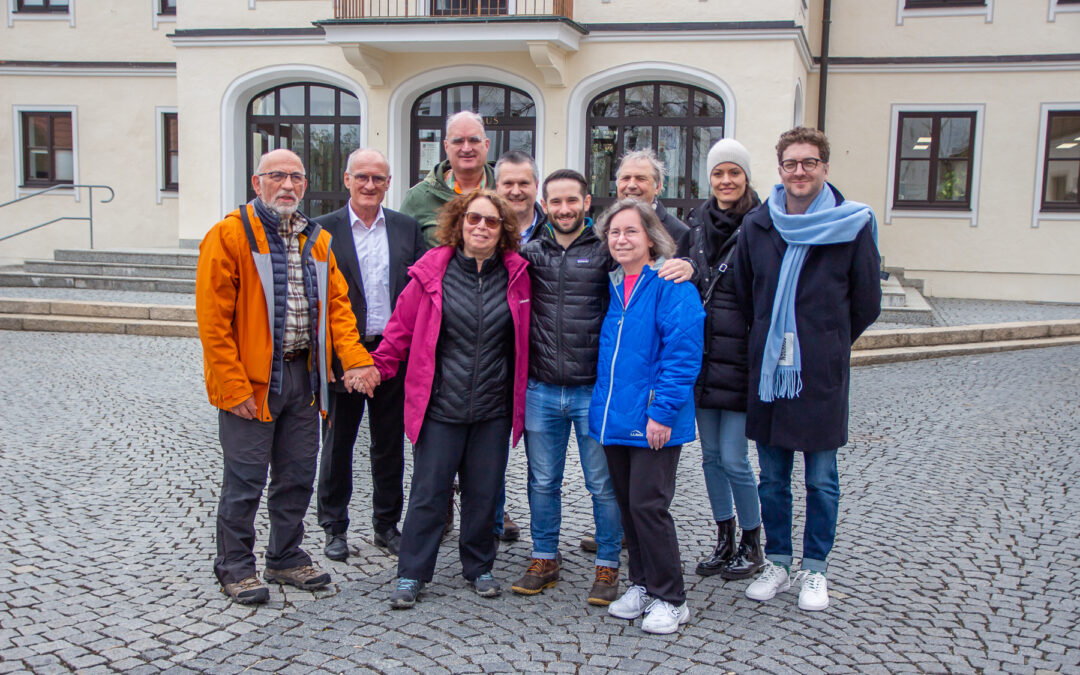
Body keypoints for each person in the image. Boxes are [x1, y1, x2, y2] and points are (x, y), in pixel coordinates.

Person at [196, 149, 380, 605]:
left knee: (297, 474)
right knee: (246, 479)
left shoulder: (315, 239)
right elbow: (213, 322)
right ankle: (235, 566)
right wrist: (233, 386)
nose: (287, 185)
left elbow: (339, 311)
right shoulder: (229, 235)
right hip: (253, 382)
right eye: (276, 176)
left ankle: (285, 556)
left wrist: (356, 361)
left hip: (305, 377)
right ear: (256, 182)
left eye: (296, 177)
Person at [734, 127, 881, 612]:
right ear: (780, 170)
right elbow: (743, 291)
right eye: (791, 163)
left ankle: (814, 567)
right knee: (772, 477)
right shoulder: (758, 224)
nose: (800, 171)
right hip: (770, 372)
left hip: (820, 373)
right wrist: (770, 342)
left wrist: (828, 341)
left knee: (821, 477)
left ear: (825, 167)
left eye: (809, 163)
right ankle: (777, 559)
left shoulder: (853, 224)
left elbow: (866, 301)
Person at [371, 189, 531, 608]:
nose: (481, 227)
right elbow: (399, 332)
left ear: (503, 231)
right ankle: (412, 573)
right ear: (459, 223)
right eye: (474, 219)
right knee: (429, 493)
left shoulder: (517, 276)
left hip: (493, 410)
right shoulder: (430, 275)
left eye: (491, 222)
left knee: (484, 492)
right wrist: (375, 369)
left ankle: (478, 566)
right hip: (440, 407)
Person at [589, 199, 704, 635]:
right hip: (615, 417)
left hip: (654, 418)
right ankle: (641, 583)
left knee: (649, 506)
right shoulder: (616, 284)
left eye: (630, 231)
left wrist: (662, 412)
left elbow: (683, 354)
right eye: (614, 232)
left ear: (650, 237)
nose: (621, 239)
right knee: (628, 509)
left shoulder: (671, 284)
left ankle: (672, 597)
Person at [315, 149, 426, 561]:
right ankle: (334, 527)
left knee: (388, 444)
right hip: (343, 352)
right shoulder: (322, 230)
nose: (369, 185)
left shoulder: (405, 228)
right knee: (338, 443)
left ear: (388, 183)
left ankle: (386, 525)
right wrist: (339, 356)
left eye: (378, 179)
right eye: (361, 177)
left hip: (394, 351)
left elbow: (416, 291)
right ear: (347, 180)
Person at [685, 138, 766, 580]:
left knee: (735, 458)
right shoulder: (696, 223)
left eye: (734, 172)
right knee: (711, 458)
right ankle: (724, 539)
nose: (726, 180)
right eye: (718, 172)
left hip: (740, 360)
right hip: (702, 357)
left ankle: (753, 542)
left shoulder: (760, 223)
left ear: (745, 177)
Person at [400, 111, 495, 248]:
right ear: (446, 146)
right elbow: (403, 254)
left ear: (486, 145)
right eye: (458, 141)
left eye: (474, 140)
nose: (466, 148)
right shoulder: (418, 197)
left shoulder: (505, 192)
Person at [615, 149, 691, 257]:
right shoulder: (606, 228)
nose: (631, 185)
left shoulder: (679, 234)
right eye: (626, 178)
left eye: (640, 179)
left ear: (658, 186)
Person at [495, 150, 545, 244]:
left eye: (523, 183)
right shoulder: (483, 231)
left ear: (536, 186)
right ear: (497, 187)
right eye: (508, 183)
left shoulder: (555, 232)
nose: (516, 192)